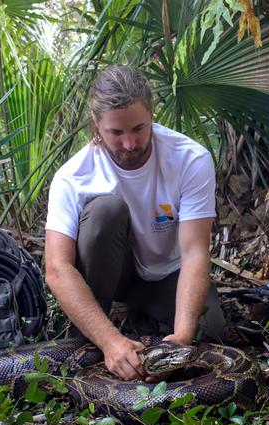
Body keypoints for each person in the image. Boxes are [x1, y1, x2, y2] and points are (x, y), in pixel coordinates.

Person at [45, 64, 226, 381]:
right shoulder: (72, 177)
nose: (129, 144)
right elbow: (57, 269)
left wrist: (181, 340)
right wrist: (109, 341)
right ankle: (84, 340)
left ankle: (147, 318)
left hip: (168, 275)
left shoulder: (190, 159)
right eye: (116, 133)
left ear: (152, 114)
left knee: (211, 334)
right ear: (96, 125)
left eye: (139, 129)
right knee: (105, 212)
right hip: (116, 279)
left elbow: (195, 253)